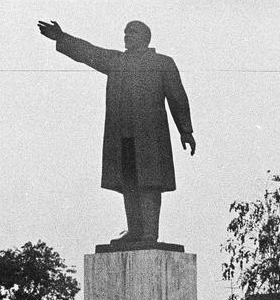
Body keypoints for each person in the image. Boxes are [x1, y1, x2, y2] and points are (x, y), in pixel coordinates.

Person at [38, 19, 195, 244]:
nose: (126, 36)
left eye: (132, 32)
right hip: (122, 136)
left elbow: (178, 97)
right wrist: (61, 37)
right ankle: (135, 231)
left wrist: (186, 130)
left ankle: (149, 233)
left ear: (145, 36)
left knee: (150, 183)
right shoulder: (116, 61)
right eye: (125, 32)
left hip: (150, 138)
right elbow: (88, 52)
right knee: (128, 183)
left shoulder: (162, 63)